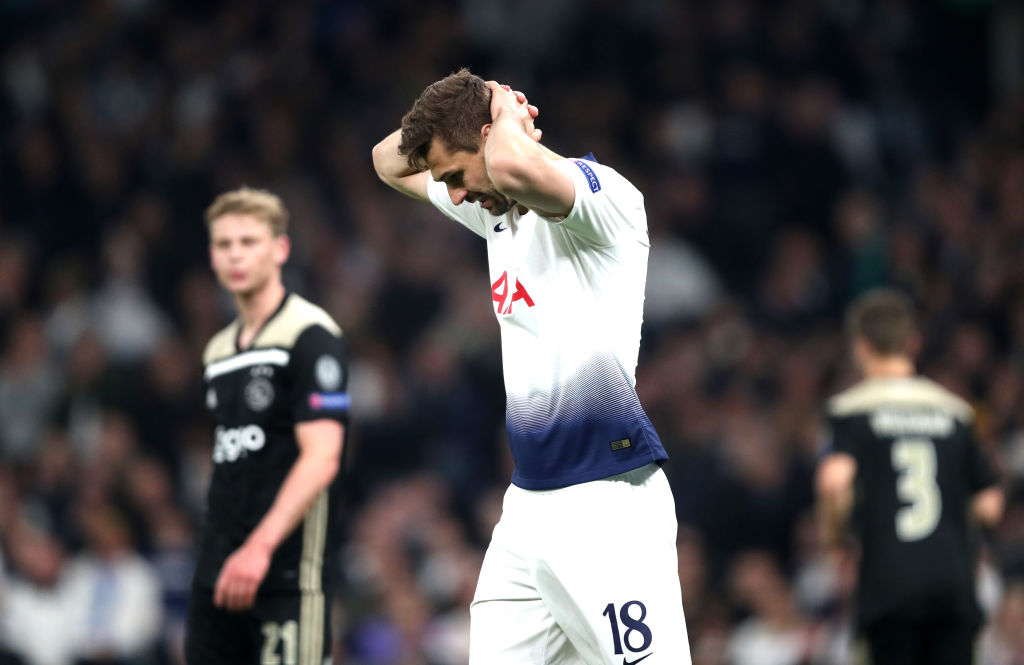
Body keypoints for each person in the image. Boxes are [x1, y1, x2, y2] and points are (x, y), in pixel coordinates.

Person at [372, 69, 689, 664]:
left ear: (493, 139)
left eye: (458, 177)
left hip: (607, 503)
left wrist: (505, 117)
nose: (455, 195)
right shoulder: (494, 211)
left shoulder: (604, 200)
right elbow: (387, 160)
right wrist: (477, 97)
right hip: (528, 510)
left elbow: (516, 166)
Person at [185, 187, 349, 665]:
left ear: (280, 248)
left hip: (285, 574)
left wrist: (258, 548)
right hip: (217, 569)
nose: (235, 254)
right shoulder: (217, 351)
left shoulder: (310, 335)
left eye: (249, 241)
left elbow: (322, 457)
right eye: (224, 244)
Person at [816, 288, 1004, 665]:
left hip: (889, 586)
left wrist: (837, 540)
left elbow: (835, 481)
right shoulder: (954, 412)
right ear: (913, 343)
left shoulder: (853, 411)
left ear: (861, 346)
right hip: (953, 585)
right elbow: (989, 504)